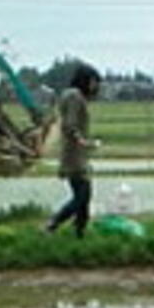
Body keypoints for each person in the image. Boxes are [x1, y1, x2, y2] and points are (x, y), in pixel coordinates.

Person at [45, 63, 101, 237]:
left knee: (84, 195)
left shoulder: (74, 96)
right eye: (93, 81)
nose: (95, 86)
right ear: (85, 80)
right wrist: (83, 141)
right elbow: (70, 124)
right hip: (74, 154)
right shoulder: (74, 96)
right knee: (82, 195)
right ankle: (53, 223)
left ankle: (80, 233)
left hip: (77, 153)